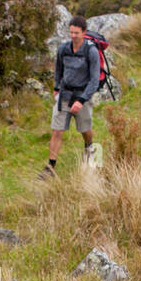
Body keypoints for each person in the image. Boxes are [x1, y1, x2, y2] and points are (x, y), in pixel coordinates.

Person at [41, 14, 99, 177]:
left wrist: (81, 100)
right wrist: (56, 88)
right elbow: (58, 69)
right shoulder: (63, 49)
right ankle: (50, 168)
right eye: (71, 32)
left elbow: (94, 80)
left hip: (82, 95)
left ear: (84, 32)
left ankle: (89, 148)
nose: (73, 36)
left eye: (77, 33)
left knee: (85, 129)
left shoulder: (91, 52)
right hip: (64, 95)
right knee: (57, 131)